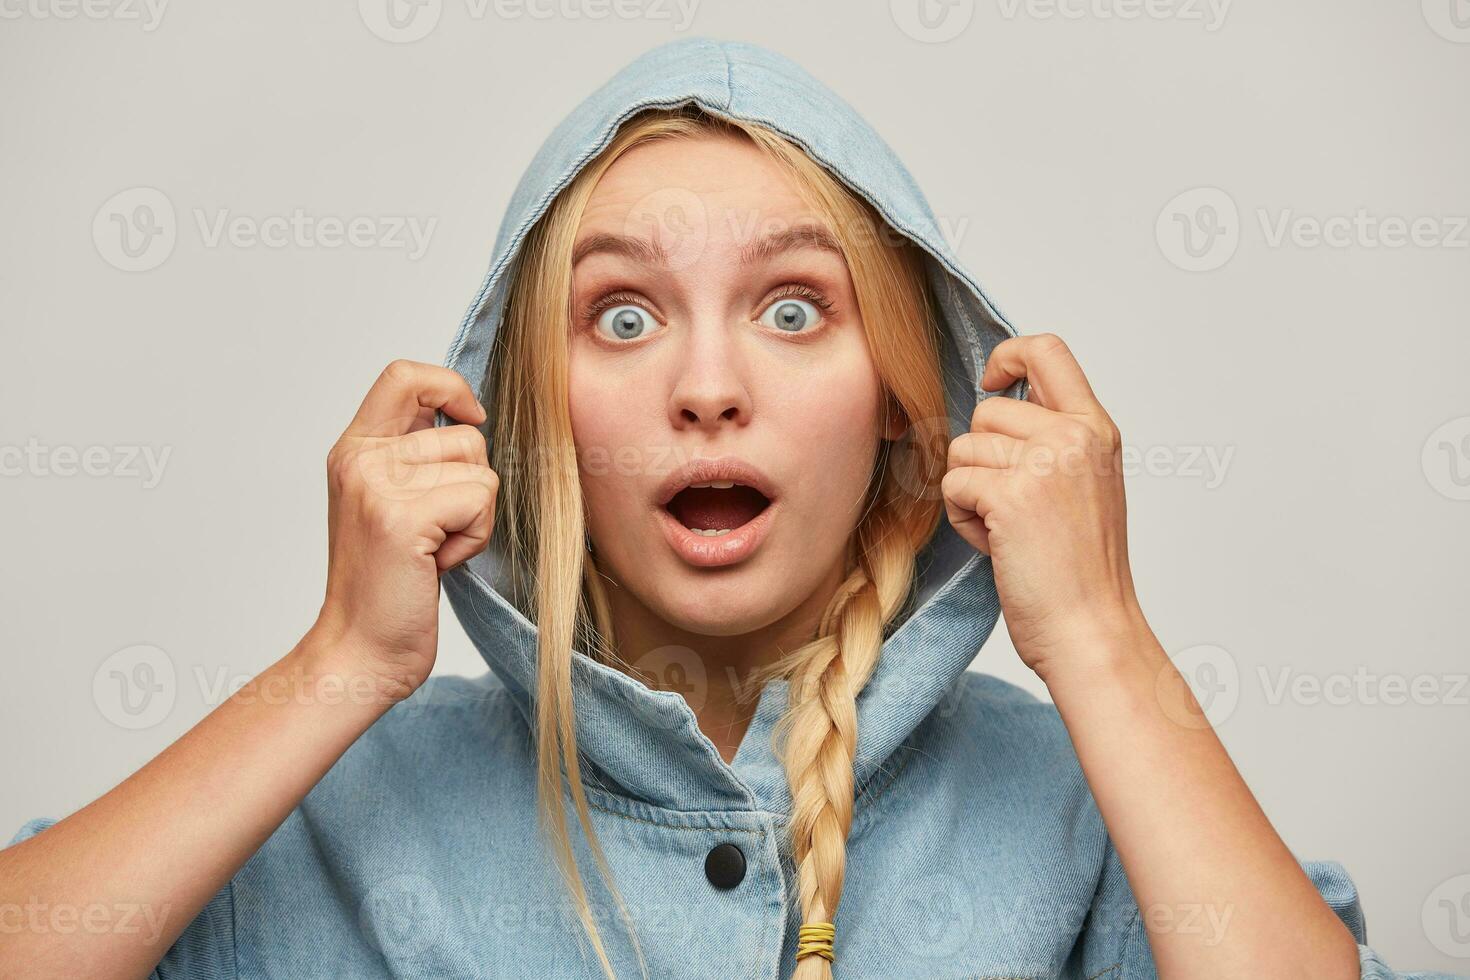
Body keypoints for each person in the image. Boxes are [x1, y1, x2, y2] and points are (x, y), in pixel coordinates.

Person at [2, 37, 1453, 980]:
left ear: (898, 393)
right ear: (526, 419)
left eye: (791, 308)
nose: (706, 386)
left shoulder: (1088, 816)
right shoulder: (341, 814)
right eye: (622, 319)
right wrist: (336, 667)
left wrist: (1105, 644)